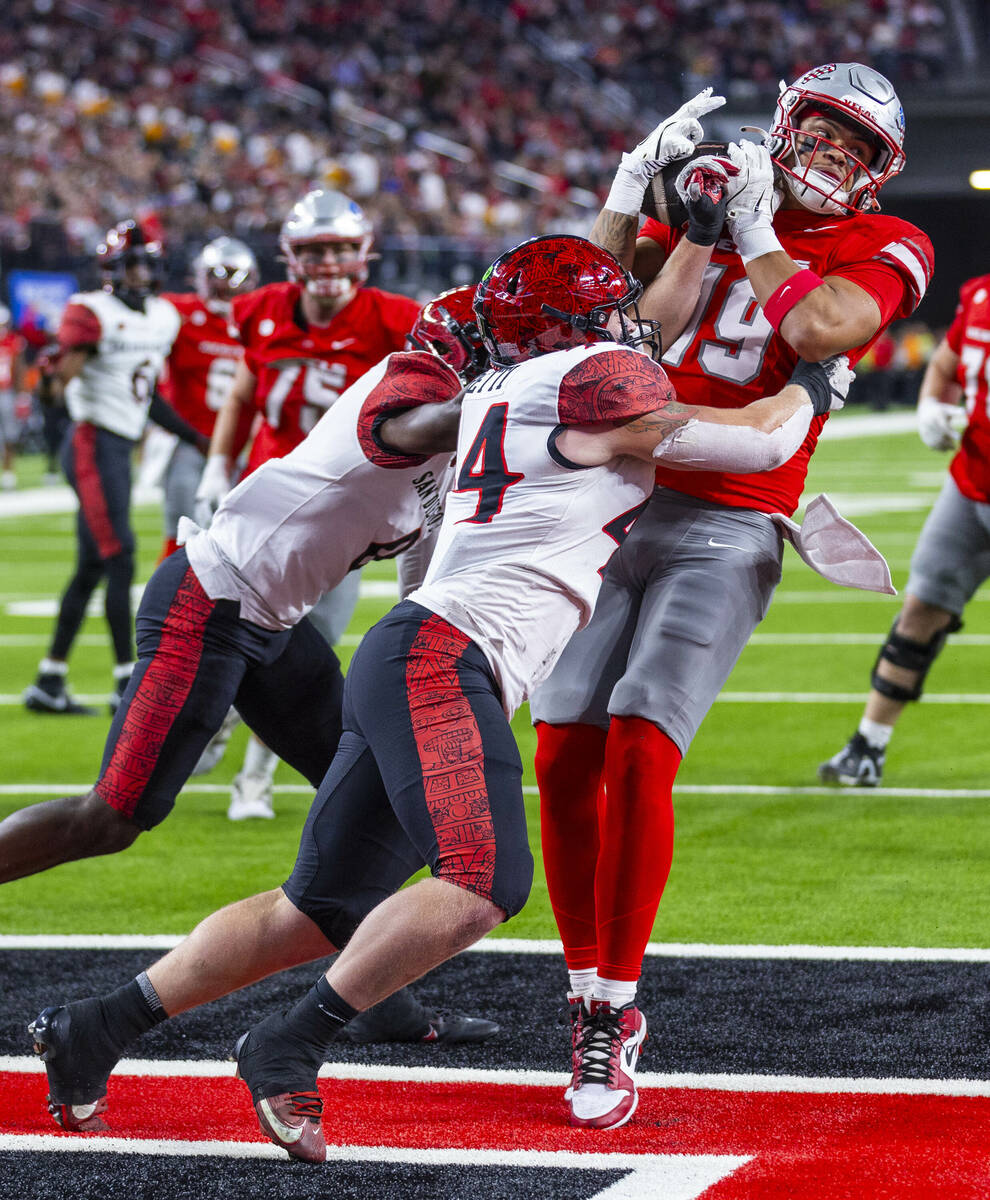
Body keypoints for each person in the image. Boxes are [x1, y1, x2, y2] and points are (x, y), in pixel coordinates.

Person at [26, 231, 853, 1163]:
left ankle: (97, 1026)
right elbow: (760, 441)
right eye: (605, 315)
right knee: (484, 881)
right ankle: (289, 1044)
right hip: (440, 655)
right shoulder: (582, 382)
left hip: (421, 649)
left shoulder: (509, 389)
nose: (631, 327)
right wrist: (813, 387)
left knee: (315, 910)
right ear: (569, 334)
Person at [529, 64, 934, 1131]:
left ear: (880, 169)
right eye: (824, 133)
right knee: (560, 748)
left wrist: (754, 233)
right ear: (790, 122)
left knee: (639, 737)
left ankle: (615, 1008)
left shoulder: (886, 245)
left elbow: (824, 329)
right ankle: (581, 992)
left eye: (856, 147)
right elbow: (590, 315)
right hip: (617, 496)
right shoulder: (714, 184)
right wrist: (636, 195)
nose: (833, 157)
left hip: (736, 512)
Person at [9, 287, 496, 1060]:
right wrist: (517, 405)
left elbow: (419, 552)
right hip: (207, 601)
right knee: (113, 818)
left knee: (380, 802)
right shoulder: (415, 388)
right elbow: (418, 428)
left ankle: (381, 999)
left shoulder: (457, 430)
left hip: (272, 622)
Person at [194, 189, 421, 820]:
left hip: (346, 510)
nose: (329, 262)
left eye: (341, 248)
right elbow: (243, 393)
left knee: (310, 645)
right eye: (317, 249)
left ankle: (255, 776)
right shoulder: (263, 311)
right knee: (242, 632)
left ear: (364, 252)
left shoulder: (391, 317)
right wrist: (217, 463)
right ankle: (229, 722)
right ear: (293, 256)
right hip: (264, 505)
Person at [21, 221, 207, 716]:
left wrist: (198, 439)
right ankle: (129, 679)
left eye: (145, 264)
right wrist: (48, 382)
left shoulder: (164, 316)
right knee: (120, 554)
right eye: (129, 264)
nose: (138, 273)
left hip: (119, 444)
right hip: (92, 441)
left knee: (92, 566)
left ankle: (49, 680)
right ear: (109, 269)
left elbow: (146, 396)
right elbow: (59, 386)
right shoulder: (91, 312)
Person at [818, 274, 988, 786]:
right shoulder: (979, 294)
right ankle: (867, 747)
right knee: (920, 613)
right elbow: (946, 361)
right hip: (972, 483)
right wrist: (933, 403)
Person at [154, 237, 259, 560]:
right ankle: (166, 606)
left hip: (243, 446)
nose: (224, 283)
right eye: (216, 273)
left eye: (231, 274)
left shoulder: (260, 316)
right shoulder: (179, 312)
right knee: (182, 532)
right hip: (191, 442)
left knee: (243, 540)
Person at [0, 304, 27, 490]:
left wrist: (22, 394)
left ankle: (8, 472)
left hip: (7, 392)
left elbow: (19, 369)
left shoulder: (14, 341)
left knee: (10, 434)